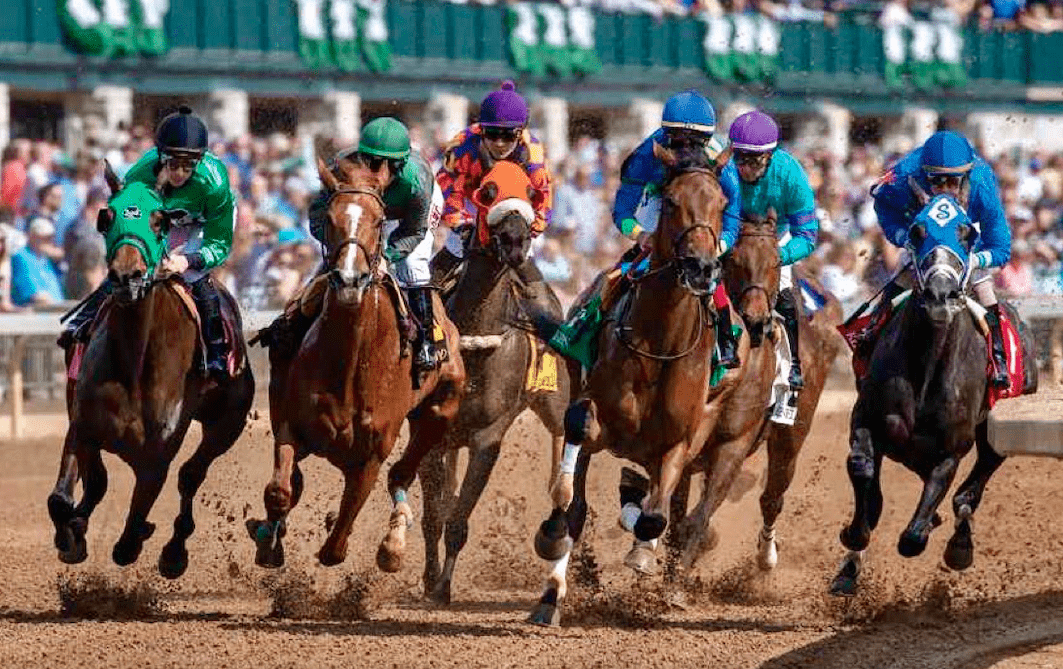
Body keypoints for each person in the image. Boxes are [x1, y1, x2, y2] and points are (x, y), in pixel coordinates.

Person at [554, 89, 743, 369]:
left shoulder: (723, 165)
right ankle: (581, 332)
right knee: (617, 274)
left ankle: (725, 340)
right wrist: (642, 235)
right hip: (658, 199)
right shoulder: (645, 155)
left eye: (696, 142)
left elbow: (733, 219)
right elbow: (622, 211)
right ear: (666, 135)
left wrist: (719, 245)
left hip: (703, 206)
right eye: (679, 141)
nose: (687, 148)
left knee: (712, 274)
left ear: (708, 140)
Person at [58, 106, 236, 381]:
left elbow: (219, 244)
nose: (179, 172)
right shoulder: (140, 176)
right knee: (131, 266)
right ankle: (84, 321)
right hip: (162, 218)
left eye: (188, 166)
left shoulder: (214, 181)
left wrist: (186, 260)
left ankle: (216, 355)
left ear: (199, 162)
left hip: (204, 223)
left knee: (192, 274)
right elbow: (131, 221)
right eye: (172, 164)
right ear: (161, 157)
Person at [260, 117, 444, 375]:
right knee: (337, 263)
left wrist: (387, 256)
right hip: (361, 210)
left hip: (407, 214)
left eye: (389, 164)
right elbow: (318, 217)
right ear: (361, 157)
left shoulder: (417, 181)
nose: (380, 170)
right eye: (372, 162)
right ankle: (292, 326)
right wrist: (345, 247)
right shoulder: (340, 169)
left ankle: (426, 341)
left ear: (401, 163)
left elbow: (414, 230)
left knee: (413, 266)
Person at [856, 129, 1013, 388]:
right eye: (937, 181)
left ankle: (1000, 359)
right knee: (898, 286)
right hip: (925, 243)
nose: (945, 189)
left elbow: (1001, 248)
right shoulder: (903, 174)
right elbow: (883, 205)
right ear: (923, 173)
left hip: (966, 245)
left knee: (985, 291)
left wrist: (975, 262)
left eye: (953, 182)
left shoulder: (983, 184)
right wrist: (903, 237)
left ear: (967, 176)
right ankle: (869, 345)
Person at [431, 80, 554, 308]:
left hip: (516, 209)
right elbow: (447, 188)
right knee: (448, 255)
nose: (499, 143)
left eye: (507, 135)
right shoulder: (461, 146)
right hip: (470, 202)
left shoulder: (533, 153)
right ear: (481, 129)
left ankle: (552, 328)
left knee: (530, 271)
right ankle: (420, 315)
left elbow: (543, 198)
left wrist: (532, 229)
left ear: (520, 133)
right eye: (492, 134)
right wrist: (460, 224)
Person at [727, 110, 820, 391]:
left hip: (775, 239)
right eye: (740, 158)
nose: (744, 168)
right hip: (732, 235)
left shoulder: (791, 175)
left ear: (769, 156)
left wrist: (778, 257)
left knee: (782, 291)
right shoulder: (724, 168)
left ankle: (793, 368)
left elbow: (808, 235)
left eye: (753, 160)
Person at [11, 217, 63, 307]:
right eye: (44, 238)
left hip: (54, 310)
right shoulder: (21, 257)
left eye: (50, 237)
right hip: (36, 313)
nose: (48, 241)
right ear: (32, 236)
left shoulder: (46, 259)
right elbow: (35, 295)